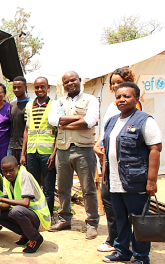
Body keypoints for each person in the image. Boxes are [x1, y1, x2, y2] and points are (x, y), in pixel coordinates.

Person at [101, 82, 162, 264]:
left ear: (137, 99)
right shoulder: (112, 121)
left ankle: (141, 256)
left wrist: (151, 181)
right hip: (114, 181)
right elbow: (108, 151)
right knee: (120, 218)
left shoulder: (145, 120)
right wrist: (105, 175)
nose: (121, 100)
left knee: (138, 220)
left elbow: (155, 150)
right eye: (118, 97)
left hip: (135, 181)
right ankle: (122, 252)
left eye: (126, 96)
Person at [48, 71, 100, 239]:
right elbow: (53, 120)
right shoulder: (58, 102)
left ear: (79, 81)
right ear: (63, 85)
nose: (70, 83)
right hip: (63, 150)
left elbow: (90, 120)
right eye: (66, 82)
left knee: (88, 188)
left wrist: (67, 123)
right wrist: (78, 118)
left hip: (84, 149)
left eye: (73, 80)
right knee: (63, 187)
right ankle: (65, 219)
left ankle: (92, 222)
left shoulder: (91, 100)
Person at [94, 68, 139, 252]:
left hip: (123, 162)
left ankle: (119, 240)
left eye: (118, 81)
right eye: (112, 83)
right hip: (108, 159)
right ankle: (116, 238)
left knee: (118, 203)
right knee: (108, 199)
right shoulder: (113, 105)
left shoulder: (134, 106)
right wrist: (98, 144)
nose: (114, 86)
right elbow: (107, 130)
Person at [0, 156, 51, 253]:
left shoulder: (24, 175)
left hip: (41, 217)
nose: (8, 174)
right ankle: (27, 234)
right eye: (4, 171)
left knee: (17, 211)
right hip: (26, 214)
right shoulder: (6, 179)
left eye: (11, 170)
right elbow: (7, 203)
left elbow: (25, 203)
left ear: (18, 167)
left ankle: (35, 238)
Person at [20, 77, 57, 216]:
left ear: (48, 87)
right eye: (37, 87)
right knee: (34, 186)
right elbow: (27, 130)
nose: (39, 90)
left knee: (48, 187)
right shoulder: (29, 106)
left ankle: (48, 215)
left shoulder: (54, 105)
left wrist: (54, 153)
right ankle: (36, 214)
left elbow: (58, 131)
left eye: (42, 87)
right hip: (31, 151)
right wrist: (23, 153)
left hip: (47, 152)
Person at [8, 76, 30, 161]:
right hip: (12, 146)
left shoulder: (30, 104)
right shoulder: (11, 105)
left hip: (25, 147)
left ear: (25, 88)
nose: (16, 89)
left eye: (19, 87)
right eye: (14, 87)